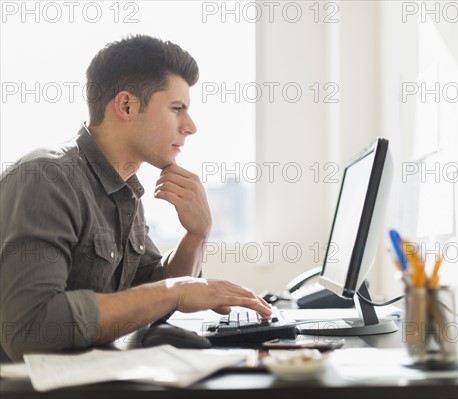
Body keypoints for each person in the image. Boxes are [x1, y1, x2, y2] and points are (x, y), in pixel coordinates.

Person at [0, 35, 272, 362]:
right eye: (177, 109)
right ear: (126, 105)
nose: (191, 126)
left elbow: (151, 291)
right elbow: (31, 330)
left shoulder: (125, 191)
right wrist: (175, 292)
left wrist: (197, 235)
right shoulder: (48, 178)